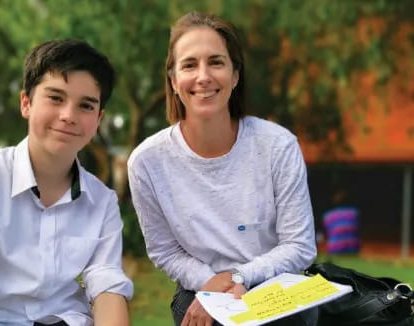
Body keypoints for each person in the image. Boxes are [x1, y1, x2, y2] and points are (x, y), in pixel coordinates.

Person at [127, 12, 317, 326]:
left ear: (235, 75)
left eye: (216, 62)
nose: (203, 76)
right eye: (189, 65)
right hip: (202, 285)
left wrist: (240, 277)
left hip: (276, 285)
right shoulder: (147, 162)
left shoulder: (278, 146)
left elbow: (299, 245)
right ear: (174, 81)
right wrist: (212, 286)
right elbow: (164, 251)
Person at [0, 39, 133, 326]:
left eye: (85, 106)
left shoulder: (102, 201)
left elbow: (108, 289)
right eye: (55, 98)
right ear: (26, 103)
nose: (68, 116)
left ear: (98, 119)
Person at [322, 188, 360, 255]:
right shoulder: (354, 213)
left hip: (335, 248)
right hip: (352, 248)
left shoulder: (327, 216)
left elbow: (326, 235)